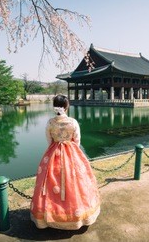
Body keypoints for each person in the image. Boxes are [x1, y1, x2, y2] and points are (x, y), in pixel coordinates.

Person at [30, 95, 100, 230]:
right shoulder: (73, 122)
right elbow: (77, 140)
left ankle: (50, 214)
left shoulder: (50, 122)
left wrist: (56, 146)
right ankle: (76, 213)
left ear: (54, 107)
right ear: (67, 107)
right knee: (75, 181)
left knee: (49, 181)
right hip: (71, 151)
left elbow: (49, 140)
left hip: (53, 152)